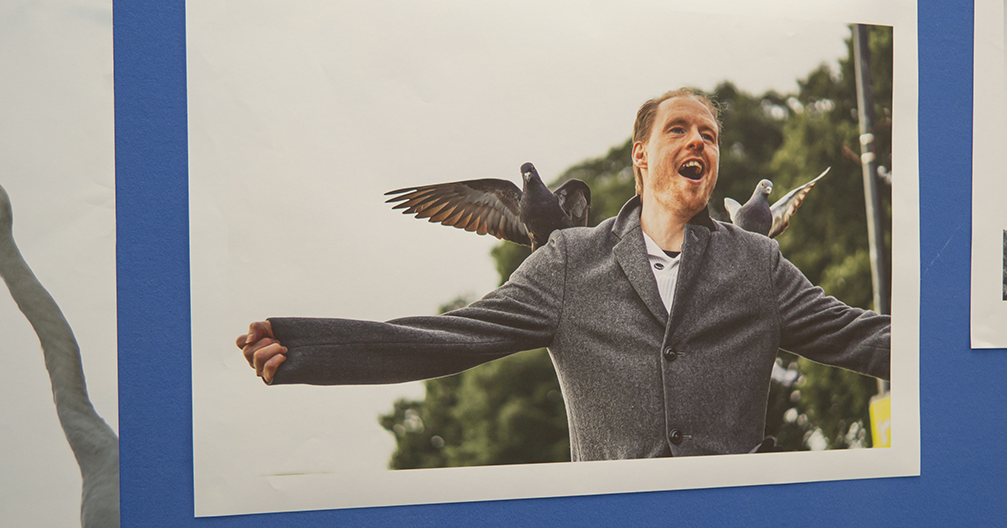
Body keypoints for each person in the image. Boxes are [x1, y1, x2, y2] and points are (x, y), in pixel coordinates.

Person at [238, 88, 889, 459]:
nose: (699, 143)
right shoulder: (569, 260)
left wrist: (981, 342)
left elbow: (868, 340)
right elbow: (451, 336)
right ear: (641, 154)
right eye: (679, 130)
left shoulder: (758, 262)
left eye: (710, 136)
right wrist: (309, 349)